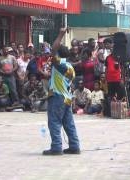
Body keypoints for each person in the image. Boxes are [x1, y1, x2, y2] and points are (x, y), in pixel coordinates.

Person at [44, 27, 80, 155]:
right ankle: (74, 146)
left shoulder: (60, 64)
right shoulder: (70, 67)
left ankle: (56, 147)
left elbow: (53, 50)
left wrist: (60, 34)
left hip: (58, 97)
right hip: (67, 98)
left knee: (54, 122)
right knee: (69, 123)